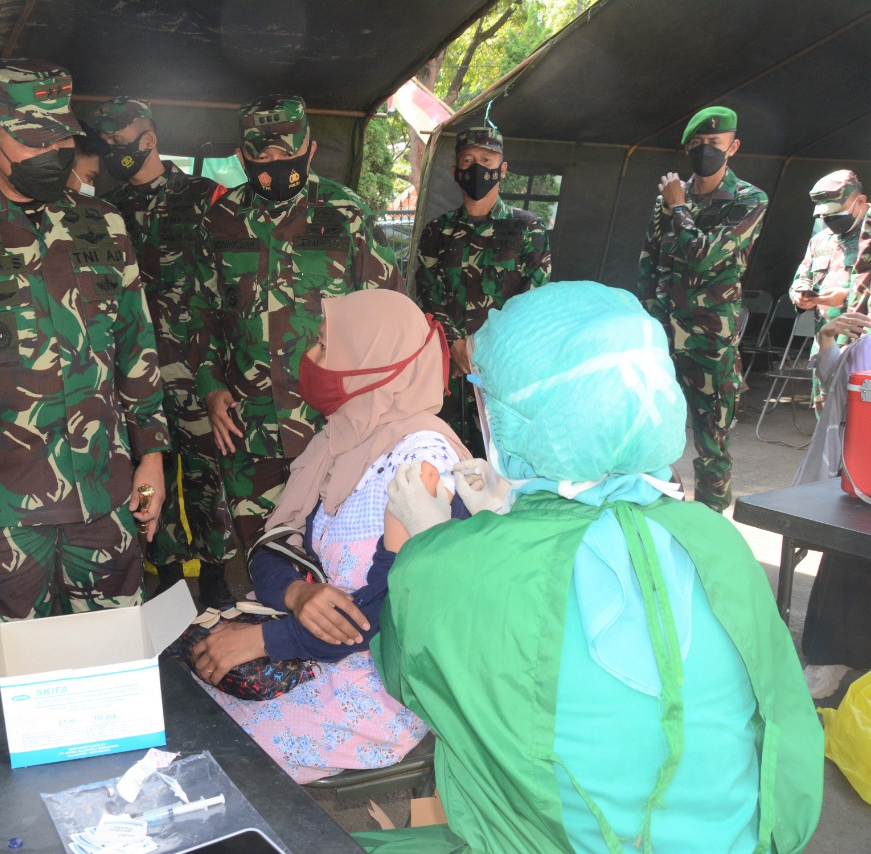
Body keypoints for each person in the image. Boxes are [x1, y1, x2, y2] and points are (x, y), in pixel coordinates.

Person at [371, 282, 822, 853]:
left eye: (486, 397)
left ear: (515, 416)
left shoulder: (455, 567)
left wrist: (427, 545)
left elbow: (410, 678)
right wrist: (504, 517)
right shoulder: (716, 538)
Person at [0, 59, 169, 623]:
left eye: (60, 135)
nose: (52, 151)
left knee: (112, 655)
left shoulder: (105, 225)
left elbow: (135, 345)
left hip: (105, 496)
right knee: (17, 668)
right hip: (2, 507)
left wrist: (154, 455)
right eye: (30, 139)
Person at [190, 289, 468, 783]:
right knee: (184, 696)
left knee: (203, 748)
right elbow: (274, 546)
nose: (310, 361)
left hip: (378, 684)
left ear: (371, 363)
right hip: (314, 649)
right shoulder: (342, 439)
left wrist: (267, 640)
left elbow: (394, 612)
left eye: (323, 347)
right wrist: (297, 592)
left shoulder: (423, 461)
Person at [191, 93, 405, 551]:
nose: (277, 163)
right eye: (264, 155)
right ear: (241, 156)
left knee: (334, 551)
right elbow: (202, 311)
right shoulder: (221, 219)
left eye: (288, 153)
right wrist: (210, 386)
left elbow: (390, 311)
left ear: (309, 149)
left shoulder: (344, 212)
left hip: (333, 422)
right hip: (250, 424)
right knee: (262, 554)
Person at [92, 95, 237, 609]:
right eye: (106, 145)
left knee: (207, 473)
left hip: (196, 365)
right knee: (149, 469)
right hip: (133, 370)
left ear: (150, 138)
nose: (116, 152)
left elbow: (229, 286)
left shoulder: (204, 196)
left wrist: (221, 369)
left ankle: (217, 572)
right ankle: (168, 571)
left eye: (124, 141)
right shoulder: (106, 212)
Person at [638, 106, 768, 513]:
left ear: (733, 147)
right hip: (661, 334)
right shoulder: (669, 198)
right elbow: (650, 261)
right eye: (697, 144)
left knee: (712, 444)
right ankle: (650, 514)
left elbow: (703, 256)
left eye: (714, 143)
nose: (705, 150)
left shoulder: (749, 199)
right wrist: (643, 320)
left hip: (710, 340)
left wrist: (678, 207)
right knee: (646, 431)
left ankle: (711, 526)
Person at [414, 123, 551, 446]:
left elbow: (535, 299)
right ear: (455, 171)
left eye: (487, 160)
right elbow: (427, 295)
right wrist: (457, 345)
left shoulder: (527, 228)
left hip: (504, 372)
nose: (477, 167)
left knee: (503, 463)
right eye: (467, 160)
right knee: (444, 457)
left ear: (502, 169)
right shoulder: (438, 231)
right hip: (447, 370)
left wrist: (484, 350)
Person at [792, 310, 871, 698]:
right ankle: (831, 656)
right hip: (857, 475)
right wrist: (826, 341)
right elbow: (837, 385)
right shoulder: (866, 344)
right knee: (848, 555)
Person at [789, 170, 868, 409]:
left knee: (857, 418)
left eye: (837, 214)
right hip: (825, 344)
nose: (831, 221)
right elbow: (801, 277)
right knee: (825, 415)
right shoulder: (821, 240)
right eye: (825, 216)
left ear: (861, 202)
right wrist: (801, 295)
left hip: (862, 348)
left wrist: (846, 297)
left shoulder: (868, 239)